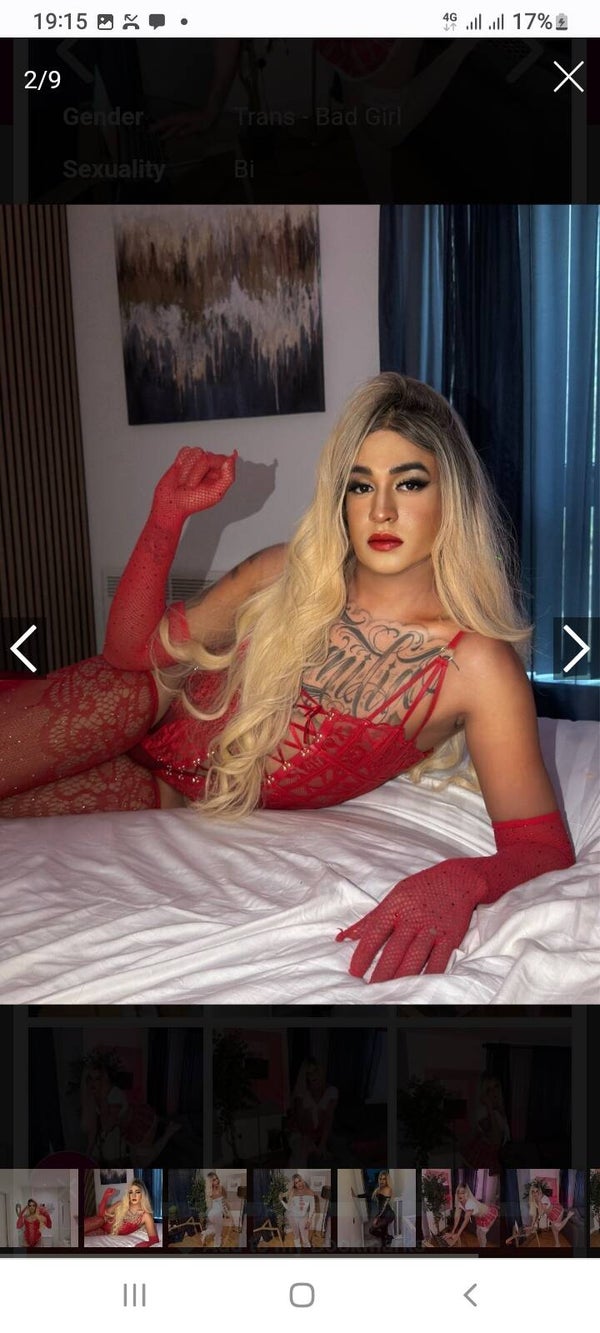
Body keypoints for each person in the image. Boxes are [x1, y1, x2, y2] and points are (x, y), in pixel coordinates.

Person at [0, 374, 574, 980]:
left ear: (451, 497)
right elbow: (128, 654)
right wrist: (167, 518)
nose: (381, 510)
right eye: (360, 485)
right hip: (134, 701)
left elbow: (539, 846)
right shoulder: (283, 572)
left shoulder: (478, 666)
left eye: (409, 483)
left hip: (162, 792)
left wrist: (462, 879)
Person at [286, 1060, 338, 1166]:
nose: (316, 1079)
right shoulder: (302, 1094)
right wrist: (310, 1142)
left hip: (319, 1134)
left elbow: (329, 1119)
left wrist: (322, 1144)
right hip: (300, 1134)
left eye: (317, 1073)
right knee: (302, 1150)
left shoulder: (331, 1092)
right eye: (310, 1075)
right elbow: (301, 1126)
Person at [84, 1179, 159, 1247]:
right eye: (131, 1192)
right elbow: (101, 1216)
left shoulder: (145, 1216)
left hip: (103, 1233)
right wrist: (105, 1197)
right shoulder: (120, 1204)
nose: (133, 1195)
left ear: (143, 1194)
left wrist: (144, 1244)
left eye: (137, 1192)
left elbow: (154, 1240)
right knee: (99, 1220)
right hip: (98, 1225)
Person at [444, 1183, 498, 1248]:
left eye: (462, 1193)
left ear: (466, 1193)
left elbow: (466, 1220)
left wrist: (457, 1234)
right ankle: (482, 1245)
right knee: (478, 1233)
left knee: (482, 1234)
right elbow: (457, 1217)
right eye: (458, 1192)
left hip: (488, 1214)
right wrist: (452, 1232)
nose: (460, 1195)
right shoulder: (459, 1202)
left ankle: (483, 1246)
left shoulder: (469, 1203)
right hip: (479, 1217)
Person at [280, 1174, 317, 1249]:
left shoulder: (310, 1192)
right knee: (296, 1235)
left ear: (302, 1181)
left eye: (299, 1181)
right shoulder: (293, 1192)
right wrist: (281, 1200)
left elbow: (312, 1208)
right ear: (294, 1185)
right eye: (296, 1183)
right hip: (292, 1217)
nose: (299, 1184)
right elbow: (288, 1207)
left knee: (305, 1237)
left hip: (304, 1218)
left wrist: (309, 1220)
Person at [199, 1171, 232, 1247]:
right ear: (211, 1182)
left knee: (214, 1229)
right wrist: (226, 1213)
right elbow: (223, 1203)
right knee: (218, 1233)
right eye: (214, 1180)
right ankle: (217, 1246)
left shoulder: (209, 1191)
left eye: (217, 1178)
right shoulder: (220, 1188)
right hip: (217, 1214)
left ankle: (204, 1234)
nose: (217, 1180)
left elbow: (214, 1204)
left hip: (211, 1214)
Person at [368, 1170, 395, 1249]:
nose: (382, 1181)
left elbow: (384, 1206)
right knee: (373, 1230)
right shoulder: (379, 1189)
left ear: (387, 1180)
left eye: (384, 1179)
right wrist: (356, 1195)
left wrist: (377, 1217)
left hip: (388, 1214)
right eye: (380, 1179)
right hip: (382, 1213)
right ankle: (387, 1237)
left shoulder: (388, 1189)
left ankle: (384, 1242)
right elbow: (368, 1194)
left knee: (374, 1229)